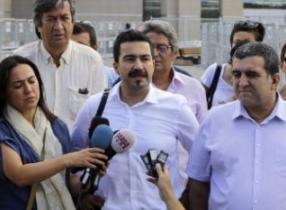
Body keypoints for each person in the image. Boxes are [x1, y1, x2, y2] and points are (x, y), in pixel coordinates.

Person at [187, 41, 286, 210]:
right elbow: (198, 187)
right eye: (237, 75)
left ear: (274, 80)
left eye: (252, 75)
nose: (242, 82)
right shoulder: (213, 121)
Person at [71, 30, 199, 210]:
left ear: (153, 64)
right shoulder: (94, 106)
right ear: (116, 67)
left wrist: (183, 200)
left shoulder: (176, 107)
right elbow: (73, 163)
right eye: (130, 59)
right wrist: (82, 195)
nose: (139, 66)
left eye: (145, 59)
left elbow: (202, 158)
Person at [0, 55, 107, 209]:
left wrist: (93, 173)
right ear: (4, 93)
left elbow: (65, 184)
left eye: (31, 81)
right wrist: (68, 159)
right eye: (18, 85)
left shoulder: (57, 126)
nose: (28, 90)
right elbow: (18, 175)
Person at [13, 0, 107, 125]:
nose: (58, 27)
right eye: (51, 19)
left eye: (64, 18)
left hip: (78, 146)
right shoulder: (21, 60)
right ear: (39, 25)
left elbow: (99, 113)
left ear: (72, 22)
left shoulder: (92, 60)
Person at [139, 20, 207, 122]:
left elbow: (202, 132)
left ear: (174, 53)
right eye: (148, 48)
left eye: (162, 48)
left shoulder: (194, 88)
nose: (155, 54)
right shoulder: (130, 88)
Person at [200, 20, 264, 108]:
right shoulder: (215, 72)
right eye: (237, 42)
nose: (242, 47)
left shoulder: (264, 76)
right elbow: (197, 104)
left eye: (247, 43)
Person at [71, 22, 118, 88]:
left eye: (81, 46)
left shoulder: (114, 79)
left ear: (94, 49)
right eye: (70, 46)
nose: (74, 51)